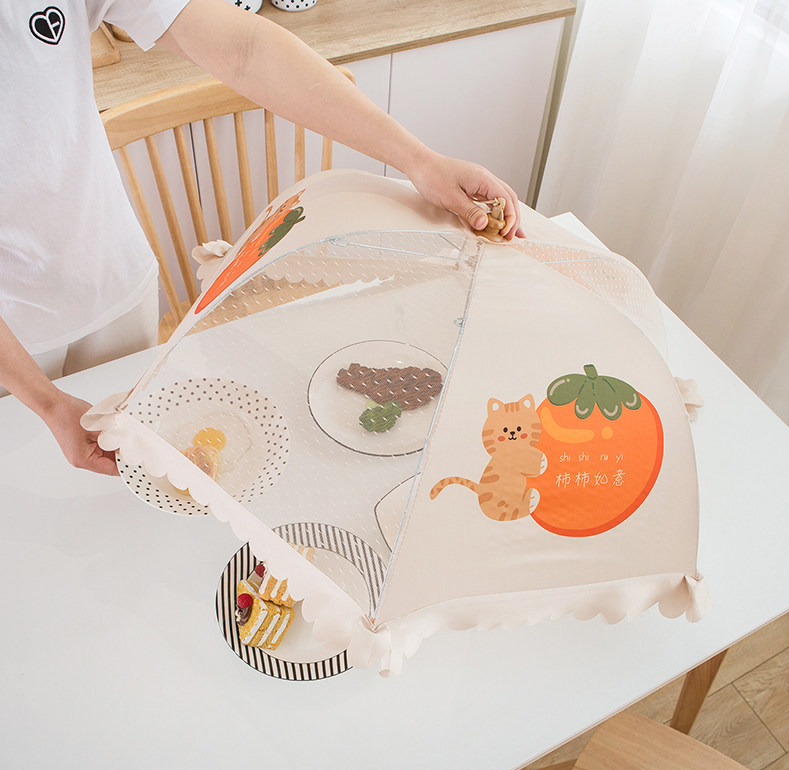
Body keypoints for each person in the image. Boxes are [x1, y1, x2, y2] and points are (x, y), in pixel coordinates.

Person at [1, 0, 523, 477]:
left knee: (136, 457)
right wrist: (45, 402)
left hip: (112, 273)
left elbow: (246, 48)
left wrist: (419, 160)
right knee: (31, 482)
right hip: (13, 340)